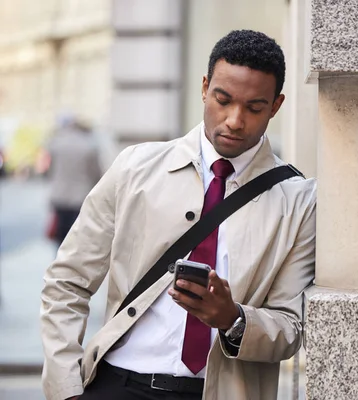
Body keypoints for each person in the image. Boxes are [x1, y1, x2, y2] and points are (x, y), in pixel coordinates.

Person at [40, 29, 317, 400]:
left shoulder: (298, 200)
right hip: (119, 384)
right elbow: (67, 281)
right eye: (223, 100)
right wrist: (66, 389)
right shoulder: (135, 168)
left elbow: (291, 328)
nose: (235, 120)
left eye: (254, 108)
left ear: (276, 106)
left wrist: (232, 319)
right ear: (204, 88)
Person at [46, 116, 103, 245]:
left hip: (59, 195)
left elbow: (51, 170)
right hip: (81, 196)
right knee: (76, 237)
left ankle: (59, 261)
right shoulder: (89, 146)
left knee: (60, 235)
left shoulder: (56, 143)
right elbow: (96, 174)